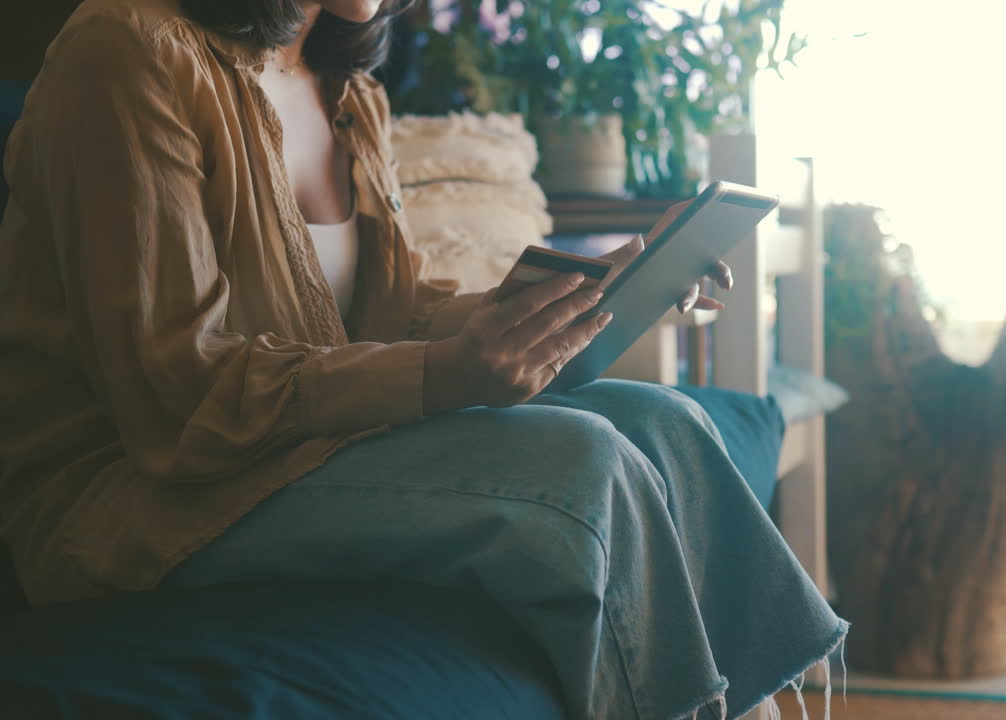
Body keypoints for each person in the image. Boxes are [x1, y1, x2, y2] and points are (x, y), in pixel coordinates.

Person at [0, 0, 847, 717]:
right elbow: (176, 401)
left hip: (302, 449)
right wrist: (446, 374)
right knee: (584, 465)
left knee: (665, 423)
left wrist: (595, 293)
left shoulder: (347, 91)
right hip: (142, 499)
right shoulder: (126, 53)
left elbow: (391, 313)